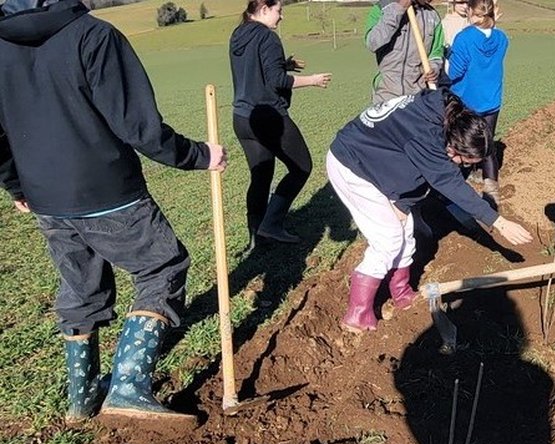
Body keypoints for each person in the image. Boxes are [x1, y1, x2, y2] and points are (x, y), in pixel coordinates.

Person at [0, 0, 227, 422]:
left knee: (81, 290)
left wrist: (16, 183)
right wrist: (199, 155)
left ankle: (82, 398)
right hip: (108, 191)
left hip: (46, 198)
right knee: (162, 266)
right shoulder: (94, 35)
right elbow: (138, 125)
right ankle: (127, 387)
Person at [326, 89, 533, 333]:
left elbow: (411, 163)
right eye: (465, 162)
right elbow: (448, 182)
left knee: (406, 231)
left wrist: (402, 202)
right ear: (453, 148)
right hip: (353, 164)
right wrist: (498, 221)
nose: (464, 168)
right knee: (388, 239)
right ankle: (357, 314)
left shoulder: (451, 114)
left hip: (378, 161)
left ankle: (401, 292)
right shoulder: (425, 136)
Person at [230, 0, 332, 247]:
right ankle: (272, 224)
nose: (281, 16)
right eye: (279, 10)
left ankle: (256, 235)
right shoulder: (268, 37)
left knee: (261, 175)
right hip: (269, 117)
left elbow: (256, 69)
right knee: (302, 167)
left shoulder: (238, 34)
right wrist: (312, 80)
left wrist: (285, 64)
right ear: (264, 9)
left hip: (242, 118)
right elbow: (276, 80)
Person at [448, 0, 507, 204]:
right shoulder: (502, 38)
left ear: (471, 12)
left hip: (467, 101)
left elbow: (455, 72)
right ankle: (492, 190)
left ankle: (451, 190)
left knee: (459, 143)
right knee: (487, 144)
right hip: (492, 100)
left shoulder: (464, 39)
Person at [366, 0, 444, 105]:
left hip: (419, 96)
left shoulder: (432, 16)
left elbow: (436, 53)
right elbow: (372, 43)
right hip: (386, 95)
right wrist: (398, 9)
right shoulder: (381, 8)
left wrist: (433, 68)